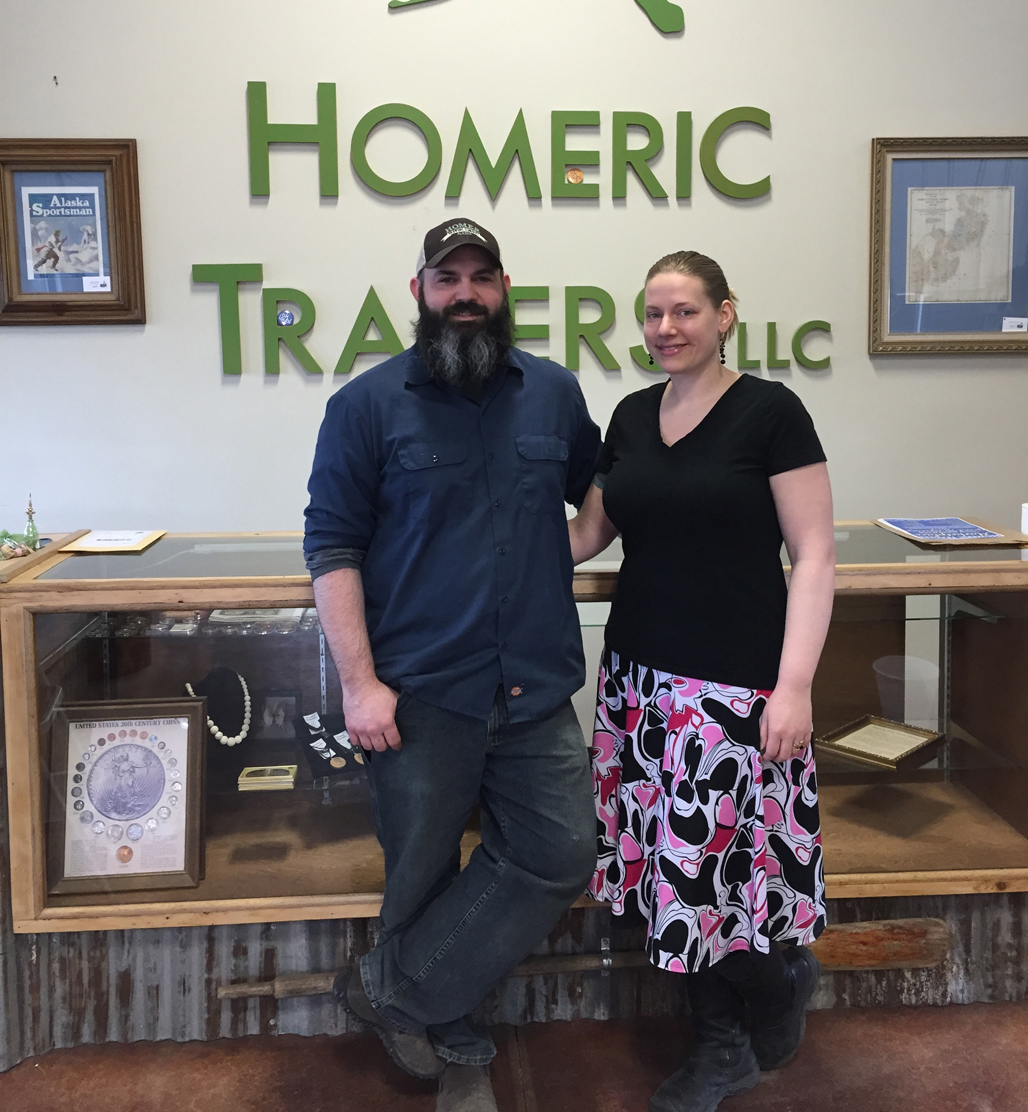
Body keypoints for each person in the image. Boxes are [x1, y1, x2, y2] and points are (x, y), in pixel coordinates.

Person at [304, 220, 600, 1112]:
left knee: (560, 850)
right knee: (421, 868)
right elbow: (332, 547)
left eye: (481, 276)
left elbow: (597, 492)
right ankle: (456, 1037)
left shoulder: (553, 393)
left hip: (537, 684)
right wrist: (359, 684)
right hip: (421, 691)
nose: (464, 292)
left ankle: (390, 989)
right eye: (447, 277)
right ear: (419, 288)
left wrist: (568, 549)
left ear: (505, 286)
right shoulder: (365, 406)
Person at [569, 250, 835, 1112]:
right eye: (652, 313)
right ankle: (722, 1045)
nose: (665, 329)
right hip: (640, 687)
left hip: (737, 691)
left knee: (720, 875)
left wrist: (793, 686)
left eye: (684, 311)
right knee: (670, 878)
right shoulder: (632, 414)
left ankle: (775, 982)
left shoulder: (771, 412)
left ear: (725, 314)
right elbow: (589, 534)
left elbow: (816, 554)